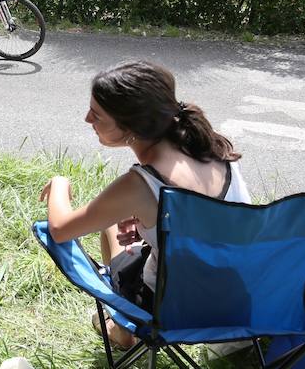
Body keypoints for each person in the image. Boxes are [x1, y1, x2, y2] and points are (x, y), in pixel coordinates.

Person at [39, 60, 252, 349]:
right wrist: (150, 228)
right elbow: (206, 222)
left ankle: (124, 328)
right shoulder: (215, 147)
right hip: (239, 299)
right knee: (125, 227)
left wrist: (60, 183)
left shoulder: (141, 184)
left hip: (176, 311)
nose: (87, 119)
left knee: (110, 224)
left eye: (97, 115)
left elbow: (61, 230)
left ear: (131, 126)